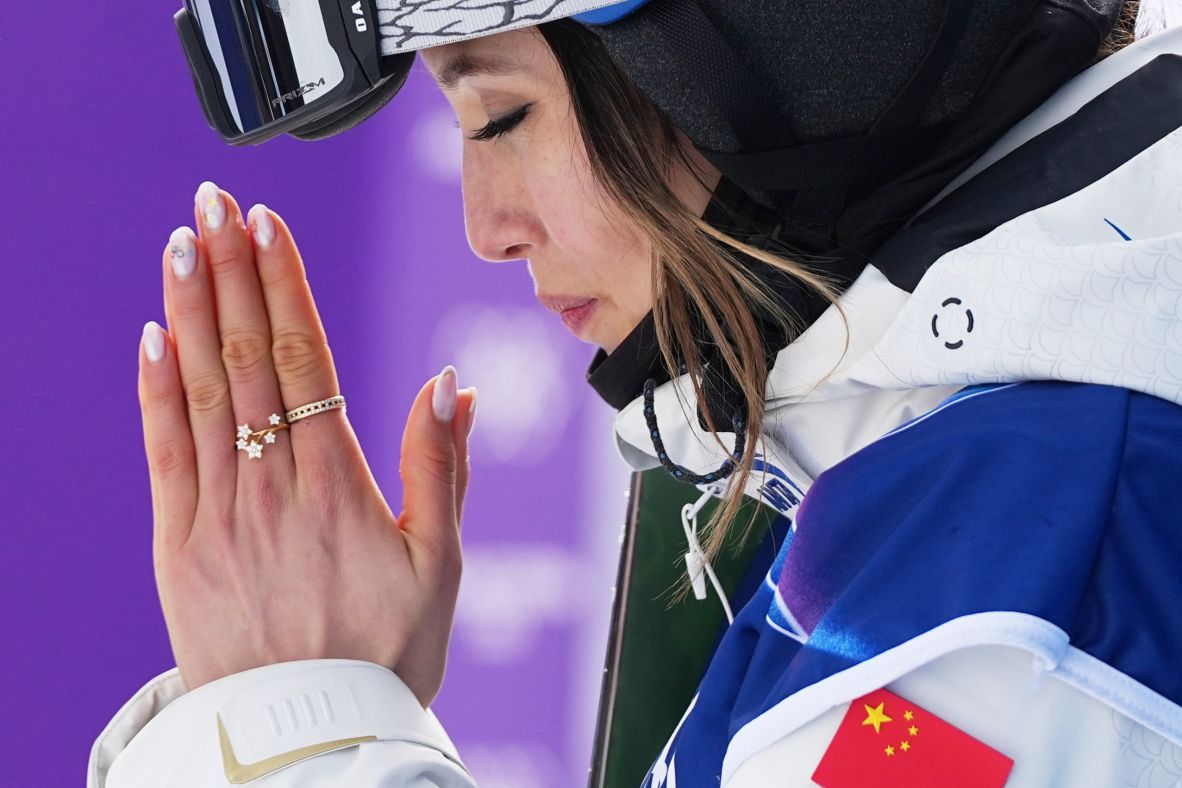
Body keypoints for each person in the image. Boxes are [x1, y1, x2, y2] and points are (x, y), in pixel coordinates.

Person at [89, 1, 1182, 786]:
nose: (483, 225)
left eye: (499, 116)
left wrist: (307, 735)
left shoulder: (1004, 614)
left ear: (788, 44)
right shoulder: (982, 506)